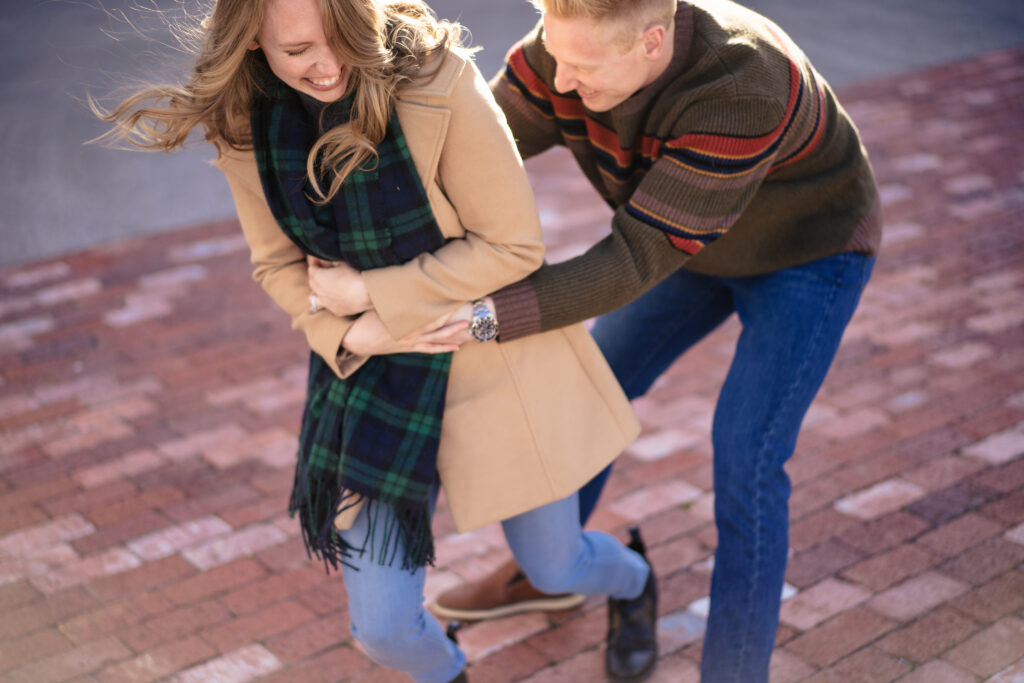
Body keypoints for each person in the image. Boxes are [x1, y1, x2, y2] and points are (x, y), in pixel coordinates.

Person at [93, 0, 662, 681]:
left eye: (342, 40)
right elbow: (276, 265)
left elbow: (514, 245)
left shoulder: (435, 80)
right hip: (367, 379)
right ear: (249, 41)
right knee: (385, 629)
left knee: (555, 562)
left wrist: (372, 304)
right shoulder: (245, 124)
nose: (329, 67)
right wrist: (345, 336)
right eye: (298, 50)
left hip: (495, 358)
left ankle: (635, 581)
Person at [324, 0, 883, 680]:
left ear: (652, 43)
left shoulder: (740, 85)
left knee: (749, 457)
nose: (560, 83)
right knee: (591, 384)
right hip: (690, 243)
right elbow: (468, 152)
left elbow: (631, 260)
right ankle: (555, 569)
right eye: (556, 57)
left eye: (582, 68)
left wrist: (481, 315)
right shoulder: (560, 53)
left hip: (806, 252)